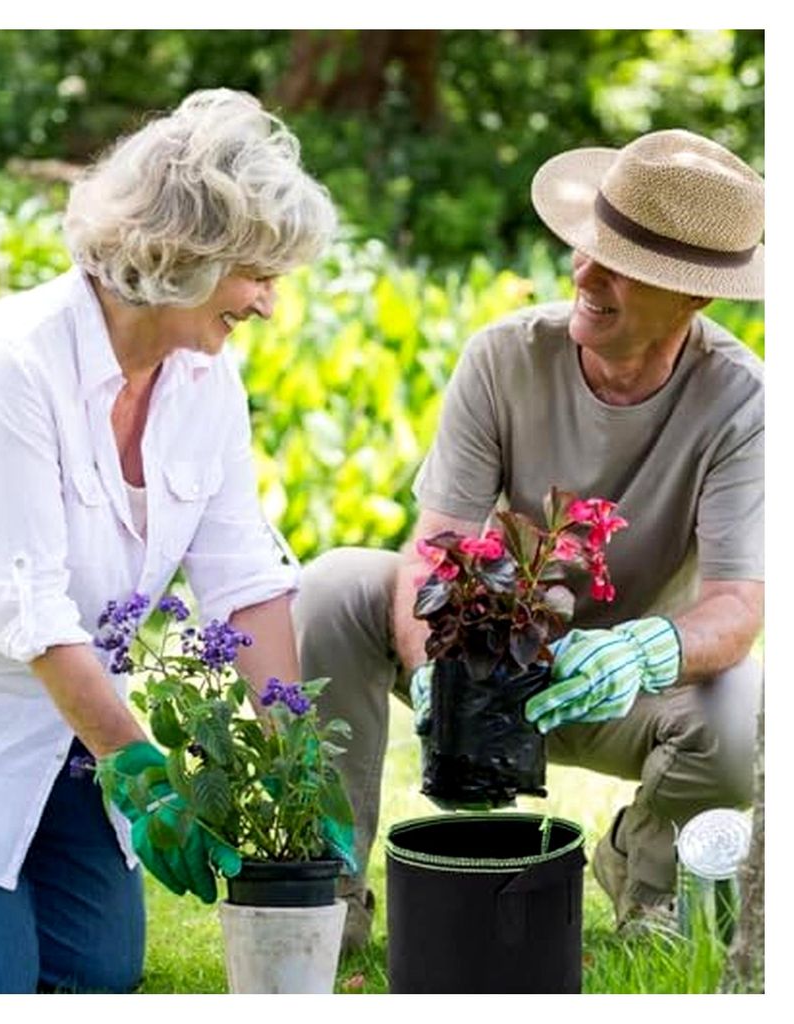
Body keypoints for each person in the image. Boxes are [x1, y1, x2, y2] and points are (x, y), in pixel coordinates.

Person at [0, 88, 338, 993]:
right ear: (184, 254)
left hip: (62, 742)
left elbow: (244, 574)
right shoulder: (11, 363)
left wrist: (296, 756)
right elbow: (32, 614)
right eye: (258, 274)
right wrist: (146, 774)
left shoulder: (205, 381)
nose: (270, 305)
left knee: (95, 978)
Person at [293, 128, 764, 951]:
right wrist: (434, 662)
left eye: (622, 265)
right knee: (335, 585)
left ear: (694, 298)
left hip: (624, 691)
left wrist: (642, 652)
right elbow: (435, 550)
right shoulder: (505, 358)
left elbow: (736, 606)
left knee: (742, 710)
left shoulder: (742, 404)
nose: (585, 273)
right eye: (589, 248)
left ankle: (645, 889)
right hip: (489, 660)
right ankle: (326, 898)